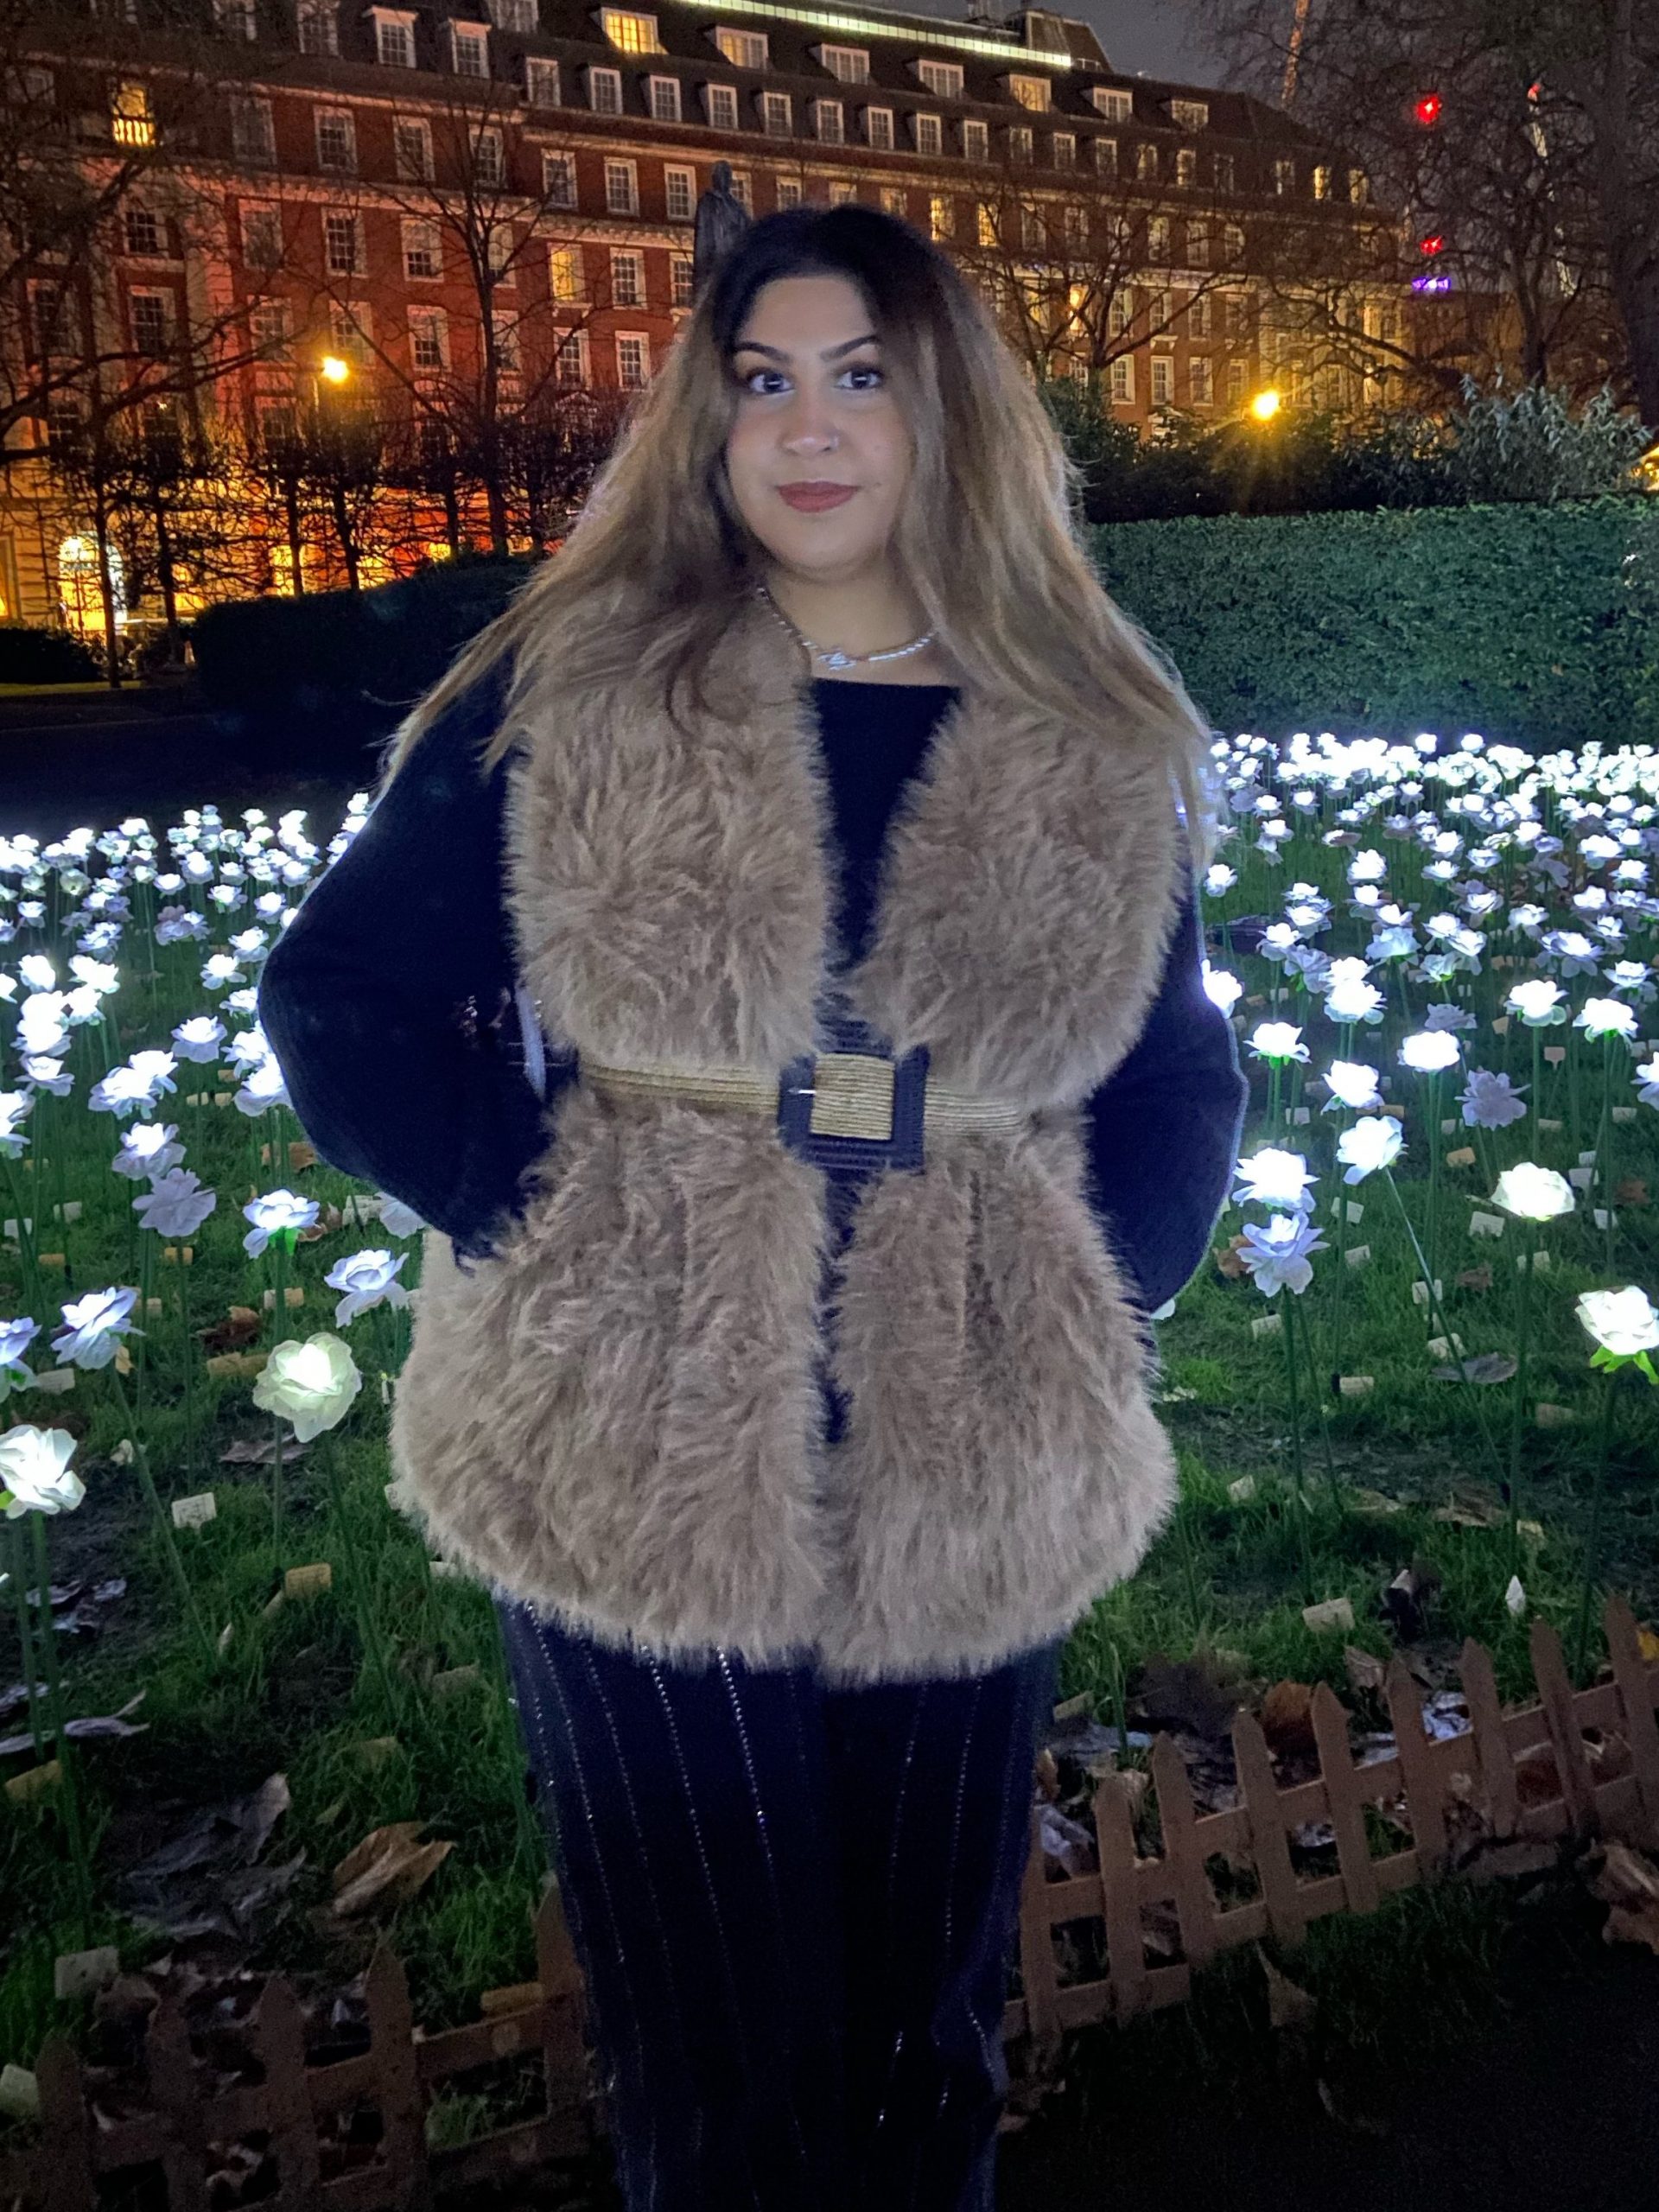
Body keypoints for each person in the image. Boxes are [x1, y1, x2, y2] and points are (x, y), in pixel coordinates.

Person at [258, 207, 1246, 2212]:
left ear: (949, 411)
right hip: (639, 1428)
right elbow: (339, 990)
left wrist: (1094, 1287)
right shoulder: (581, 691)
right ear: (704, 421)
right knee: (719, 2051)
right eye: (762, 379)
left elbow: (1175, 1063)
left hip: (969, 1429)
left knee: (924, 2031)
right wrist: (528, 1195)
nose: (807, 427)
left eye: (861, 376)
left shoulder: (1084, 719)